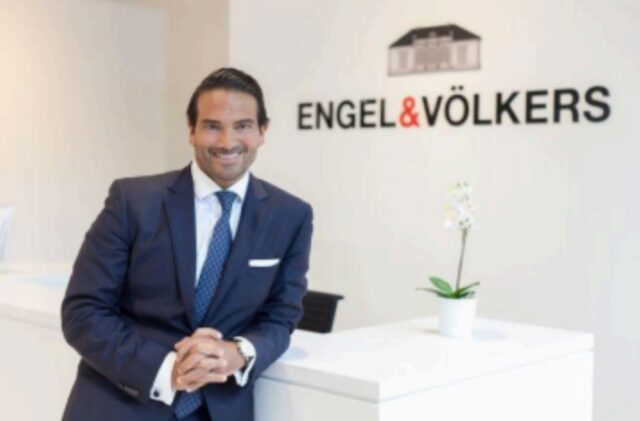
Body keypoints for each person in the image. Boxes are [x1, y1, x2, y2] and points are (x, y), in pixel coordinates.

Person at [61, 68, 313, 421]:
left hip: (220, 409)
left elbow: (281, 317)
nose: (227, 142)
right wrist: (168, 369)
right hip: (122, 406)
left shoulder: (290, 216)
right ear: (191, 130)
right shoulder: (132, 201)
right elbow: (83, 312)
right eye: (212, 126)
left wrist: (239, 353)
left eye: (242, 126)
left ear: (262, 131)